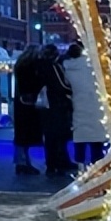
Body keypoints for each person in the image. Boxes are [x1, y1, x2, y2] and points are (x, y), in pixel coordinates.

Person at [63, 43, 107, 165]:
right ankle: (97, 166)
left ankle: (80, 166)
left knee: (80, 138)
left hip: (77, 105)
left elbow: (66, 86)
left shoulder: (66, 68)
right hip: (95, 105)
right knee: (96, 140)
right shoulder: (93, 66)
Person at [39, 44, 77, 175]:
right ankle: (60, 163)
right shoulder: (53, 66)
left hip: (46, 106)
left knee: (49, 136)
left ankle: (51, 164)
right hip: (57, 104)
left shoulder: (39, 66)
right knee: (59, 135)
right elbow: (61, 85)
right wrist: (71, 91)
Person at [12, 44, 43, 174]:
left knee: (20, 134)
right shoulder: (32, 66)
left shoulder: (20, 64)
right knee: (26, 133)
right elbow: (36, 83)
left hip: (20, 102)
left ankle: (21, 161)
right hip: (29, 102)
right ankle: (24, 162)